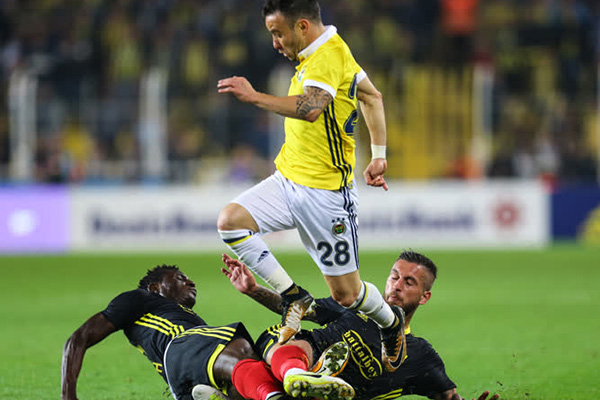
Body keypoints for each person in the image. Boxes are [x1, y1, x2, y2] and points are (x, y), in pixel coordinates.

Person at [216, 0, 404, 372]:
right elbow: (371, 96)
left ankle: (390, 322)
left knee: (347, 295)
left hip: (326, 196)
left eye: (278, 33)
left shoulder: (327, 56)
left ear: (302, 26)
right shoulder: (324, 53)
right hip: (287, 180)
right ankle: (294, 296)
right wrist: (379, 155)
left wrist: (254, 96)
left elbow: (311, 107)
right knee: (231, 222)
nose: (275, 43)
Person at [221, 252, 501, 400]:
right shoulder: (355, 306)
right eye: (394, 277)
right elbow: (301, 308)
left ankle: (294, 383)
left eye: (409, 282)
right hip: (302, 361)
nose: (397, 286)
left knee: (251, 371)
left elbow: (448, 396)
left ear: (424, 297)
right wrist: (253, 290)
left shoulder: (420, 355)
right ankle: (299, 376)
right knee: (278, 345)